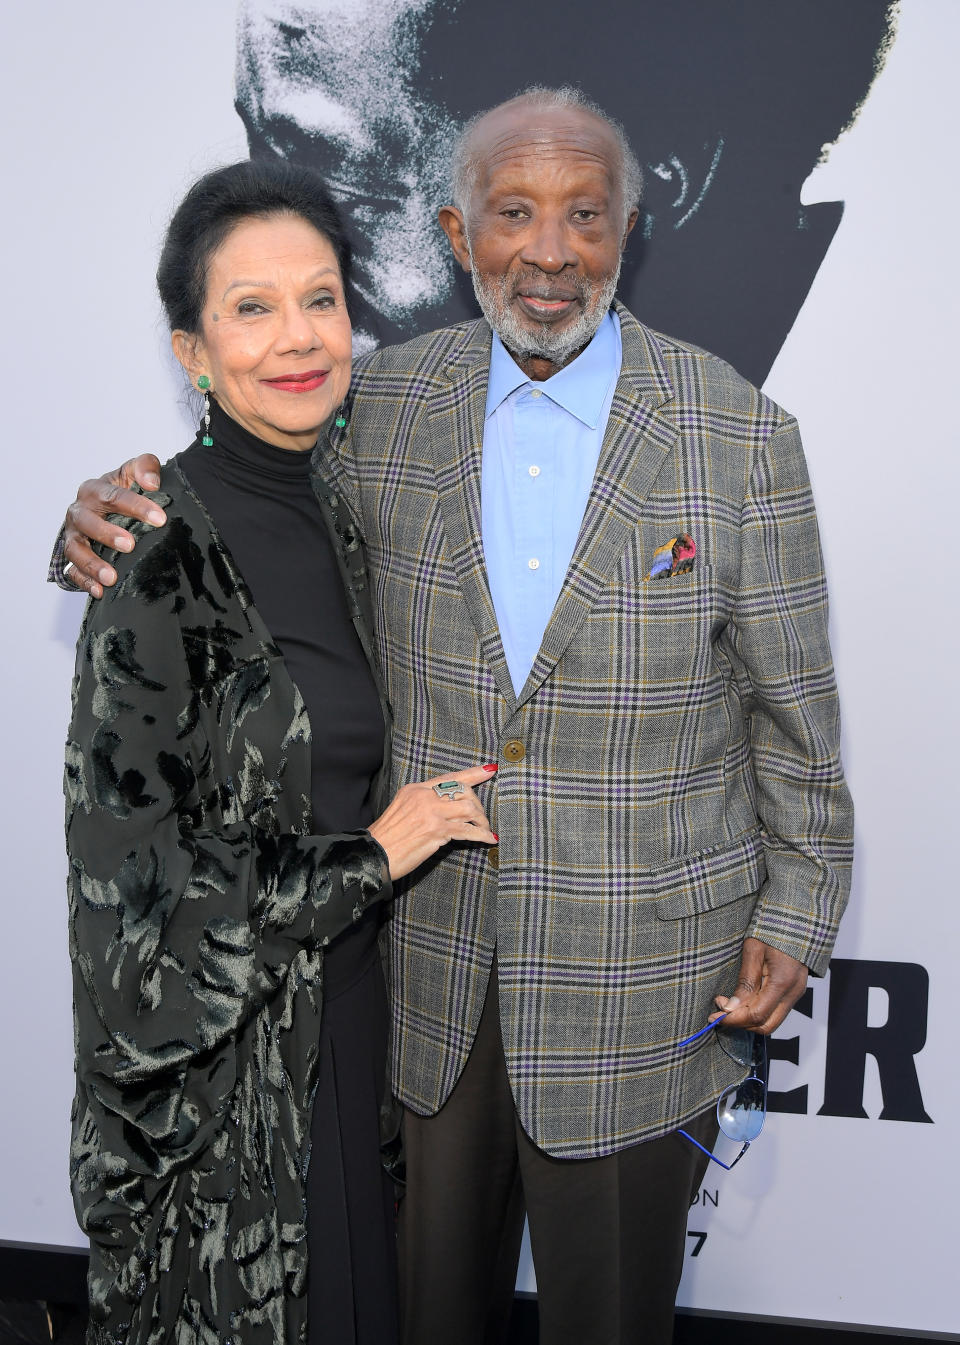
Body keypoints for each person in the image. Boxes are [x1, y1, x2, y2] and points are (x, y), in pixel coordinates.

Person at [55, 88, 853, 1345]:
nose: (549, 251)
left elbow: (795, 715)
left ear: (629, 230)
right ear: (453, 230)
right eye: (512, 214)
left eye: (584, 216)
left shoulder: (742, 437)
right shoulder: (379, 409)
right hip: (419, 982)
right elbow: (236, 488)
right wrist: (104, 508)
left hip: (637, 989)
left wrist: (800, 911)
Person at [60, 159, 495, 1345]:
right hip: (220, 1114)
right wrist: (376, 853)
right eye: (250, 309)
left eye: (322, 298)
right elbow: (135, 941)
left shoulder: (342, 505)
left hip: (345, 1043)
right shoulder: (153, 556)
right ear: (192, 350)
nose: (298, 338)